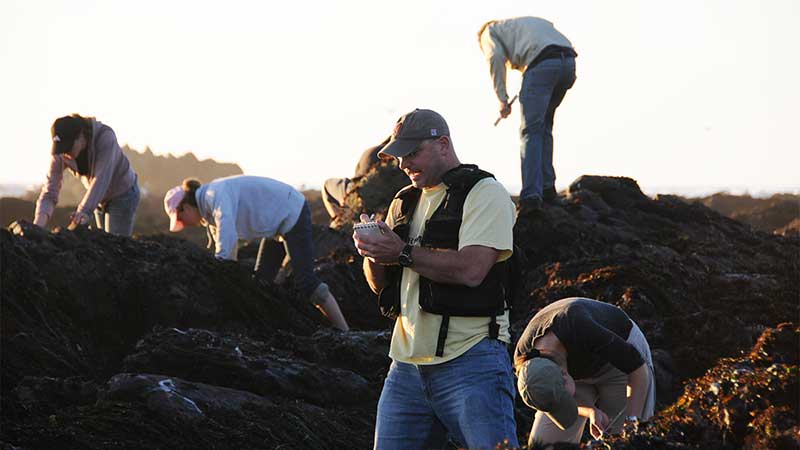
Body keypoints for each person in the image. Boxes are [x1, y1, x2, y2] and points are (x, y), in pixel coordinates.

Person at [353, 109, 519, 450]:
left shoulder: (485, 193)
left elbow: (473, 270)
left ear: (443, 144)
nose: (404, 165)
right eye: (399, 156)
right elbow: (381, 285)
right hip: (405, 368)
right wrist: (373, 251)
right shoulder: (404, 202)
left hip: (472, 362)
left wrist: (400, 252)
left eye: (413, 153)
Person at [163, 175, 349, 332]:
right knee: (261, 283)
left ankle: (345, 332)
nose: (185, 224)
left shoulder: (216, 195)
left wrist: (219, 281)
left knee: (306, 282)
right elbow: (225, 247)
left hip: (292, 211)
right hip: (274, 224)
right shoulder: (208, 206)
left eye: (181, 219)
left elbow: (226, 248)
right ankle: (277, 328)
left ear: (185, 207)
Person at [514, 297, 656, 446]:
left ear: (563, 374)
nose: (563, 406)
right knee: (544, 445)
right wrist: (591, 411)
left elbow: (638, 370)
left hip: (621, 367)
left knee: (620, 439)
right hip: (578, 369)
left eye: (563, 400)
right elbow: (558, 394)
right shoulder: (526, 366)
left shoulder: (578, 325)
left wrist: (631, 423)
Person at [477, 17, 577, 211]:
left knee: (530, 132)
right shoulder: (522, 25)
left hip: (542, 64)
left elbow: (495, 57)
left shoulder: (488, 32)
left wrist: (502, 99)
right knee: (544, 128)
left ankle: (531, 196)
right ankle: (548, 190)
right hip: (568, 64)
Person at [34, 114, 140, 235]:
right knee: (106, 245)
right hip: (99, 197)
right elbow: (50, 191)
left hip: (123, 193)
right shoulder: (60, 153)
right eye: (61, 149)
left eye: (68, 148)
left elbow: (101, 179)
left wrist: (83, 211)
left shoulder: (105, 138)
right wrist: (37, 225)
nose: (65, 154)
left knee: (116, 244)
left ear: (80, 137)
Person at [321, 136, 405, 223]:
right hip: (364, 194)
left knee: (326, 185)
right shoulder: (398, 156)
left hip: (357, 192)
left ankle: (340, 222)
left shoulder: (374, 151)